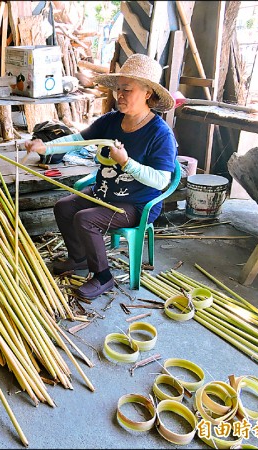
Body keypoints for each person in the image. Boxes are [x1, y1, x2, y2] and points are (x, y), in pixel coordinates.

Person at [24, 53, 177, 300]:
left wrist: (126, 163)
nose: (120, 95)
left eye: (127, 89)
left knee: (86, 219)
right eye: (118, 89)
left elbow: (161, 181)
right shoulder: (112, 120)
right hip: (104, 193)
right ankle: (79, 258)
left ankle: (103, 276)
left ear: (148, 93)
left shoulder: (160, 134)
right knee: (64, 207)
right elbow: (77, 140)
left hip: (137, 204)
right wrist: (47, 148)